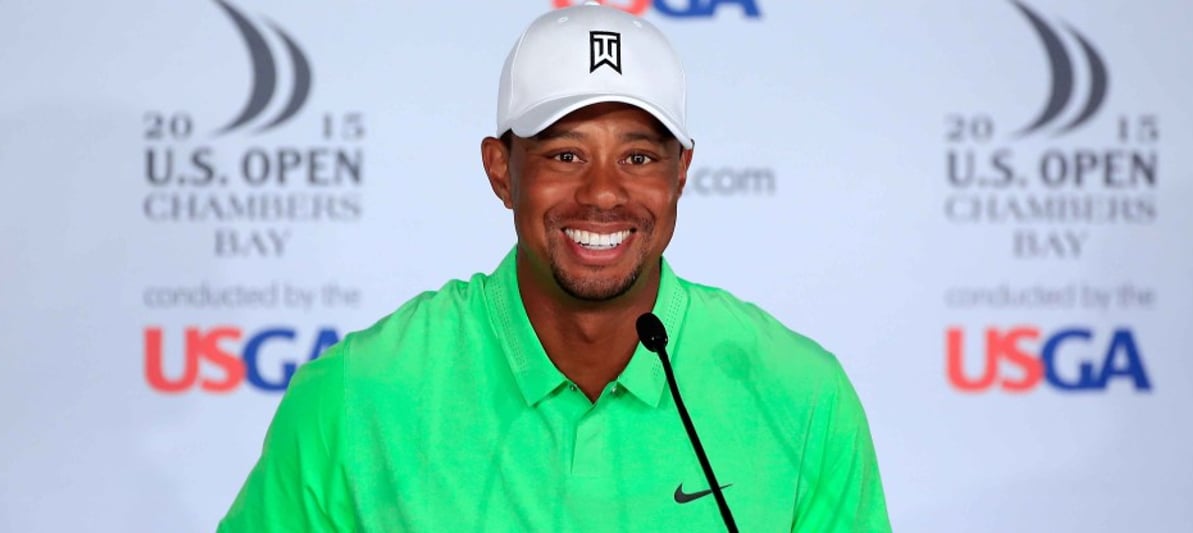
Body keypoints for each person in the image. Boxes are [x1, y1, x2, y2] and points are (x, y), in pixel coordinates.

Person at [219, 2, 890, 531]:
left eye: (639, 157)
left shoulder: (802, 396)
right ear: (500, 170)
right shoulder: (355, 394)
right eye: (565, 155)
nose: (602, 193)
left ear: (681, 174)